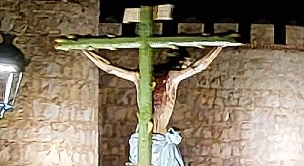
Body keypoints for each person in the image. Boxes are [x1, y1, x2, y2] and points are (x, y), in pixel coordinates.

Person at [84, 45, 225, 134]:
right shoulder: (170, 77)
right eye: (184, 65)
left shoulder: (145, 77)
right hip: (150, 134)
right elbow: (199, 66)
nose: (185, 68)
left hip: (150, 134)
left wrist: (86, 51)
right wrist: (218, 47)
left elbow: (109, 68)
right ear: (179, 63)